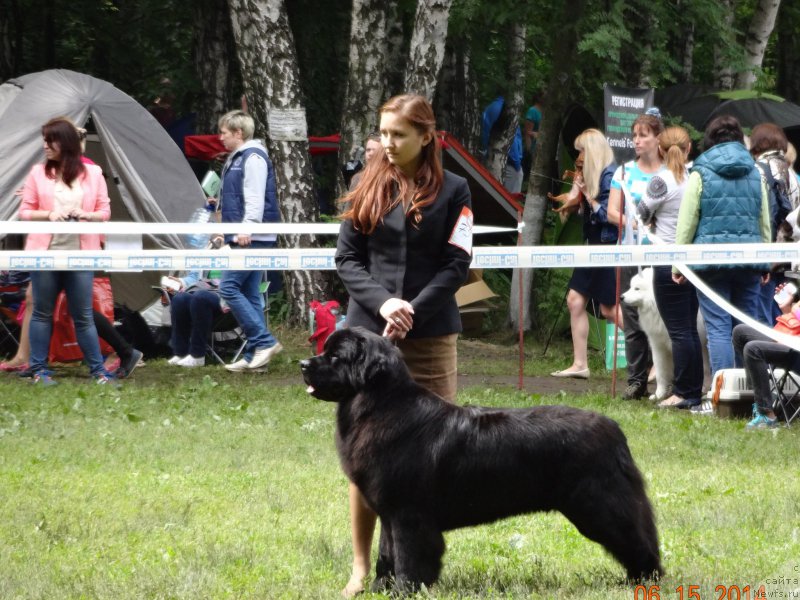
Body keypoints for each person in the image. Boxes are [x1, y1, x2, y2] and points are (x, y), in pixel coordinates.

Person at [335, 93, 472, 596]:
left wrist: (411, 308)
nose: (387, 144)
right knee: (365, 456)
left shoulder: (456, 190)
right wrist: (384, 304)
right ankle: (361, 566)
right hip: (367, 337)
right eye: (384, 133)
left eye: (398, 135)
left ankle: (415, 565)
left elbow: (457, 265)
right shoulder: (365, 182)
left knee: (433, 454)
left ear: (426, 136)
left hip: (431, 333)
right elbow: (347, 260)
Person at [19, 117, 115, 385]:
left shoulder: (93, 174)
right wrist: (50, 214)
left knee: (83, 314)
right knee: (42, 312)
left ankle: (98, 371)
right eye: (44, 140)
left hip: (81, 253)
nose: (45, 146)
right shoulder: (37, 172)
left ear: (66, 143)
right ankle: (39, 369)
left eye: (50, 140)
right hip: (46, 252)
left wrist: (86, 214)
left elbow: (105, 211)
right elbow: (25, 211)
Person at [674, 115, 770, 378]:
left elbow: (687, 222)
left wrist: (678, 261)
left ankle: (724, 393)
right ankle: (751, 391)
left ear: (709, 140)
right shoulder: (756, 172)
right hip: (749, 260)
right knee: (746, 326)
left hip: (710, 262)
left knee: (718, 328)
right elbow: (764, 221)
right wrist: (766, 260)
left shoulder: (700, 172)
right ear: (740, 139)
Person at [636, 126, 704, 409]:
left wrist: (653, 221)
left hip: (666, 262)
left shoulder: (660, 181)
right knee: (688, 328)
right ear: (689, 149)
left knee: (678, 331)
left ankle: (685, 391)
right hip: (692, 261)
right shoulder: (695, 179)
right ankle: (693, 388)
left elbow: (641, 213)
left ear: (660, 150)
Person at [214, 110, 282, 372]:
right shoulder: (239, 158)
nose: (220, 138)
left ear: (238, 133)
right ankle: (257, 357)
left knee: (228, 288)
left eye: (224, 133)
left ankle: (264, 341)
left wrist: (247, 228)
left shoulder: (252, 157)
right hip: (244, 233)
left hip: (252, 235)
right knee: (250, 293)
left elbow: (254, 195)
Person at [549, 129, 619, 379]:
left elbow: (611, 219)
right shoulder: (593, 174)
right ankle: (580, 365)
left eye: (581, 151)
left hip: (607, 248)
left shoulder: (611, 175)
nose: (578, 156)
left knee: (610, 310)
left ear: (593, 152)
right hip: (591, 246)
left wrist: (588, 197)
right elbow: (589, 215)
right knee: (575, 300)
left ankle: (654, 356)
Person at [607, 110, 665, 400]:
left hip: (662, 254)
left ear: (658, 138)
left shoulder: (671, 171)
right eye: (634, 135)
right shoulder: (624, 172)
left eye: (643, 135)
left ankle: (670, 381)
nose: (637, 141)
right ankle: (636, 380)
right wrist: (630, 222)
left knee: (667, 317)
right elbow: (611, 211)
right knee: (631, 317)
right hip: (630, 252)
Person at [749, 123, 800, 324]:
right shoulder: (792, 175)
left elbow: (762, 216)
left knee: (762, 318)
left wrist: (762, 261)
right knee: (784, 314)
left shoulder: (757, 172)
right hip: (789, 258)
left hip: (766, 257)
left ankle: (766, 355)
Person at [732, 284, 800, 430]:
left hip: (796, 351)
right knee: (740, 332)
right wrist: (786, 308)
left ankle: (767, 415)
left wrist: (796, 311)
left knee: (753, 349)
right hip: (790, 340)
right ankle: (764, 395)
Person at [164, 272, 224, 367]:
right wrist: (181, 282)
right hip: (202, 291)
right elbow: (194, 277)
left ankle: (197, 355)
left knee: (200, 297)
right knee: (180, 298)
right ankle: (181, 353)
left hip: (225, 297)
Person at [480, 95, 524, 193]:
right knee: (509, 201)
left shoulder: (491, 107)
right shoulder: (504, 110)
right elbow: (508, 138)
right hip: (507, 163)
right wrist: (517, 164)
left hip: (495, 157)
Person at [522, 93, 542, 176]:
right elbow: (528, 133)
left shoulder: (545, 112)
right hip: (533, 149)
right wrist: (529, 151)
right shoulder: (532, 111)